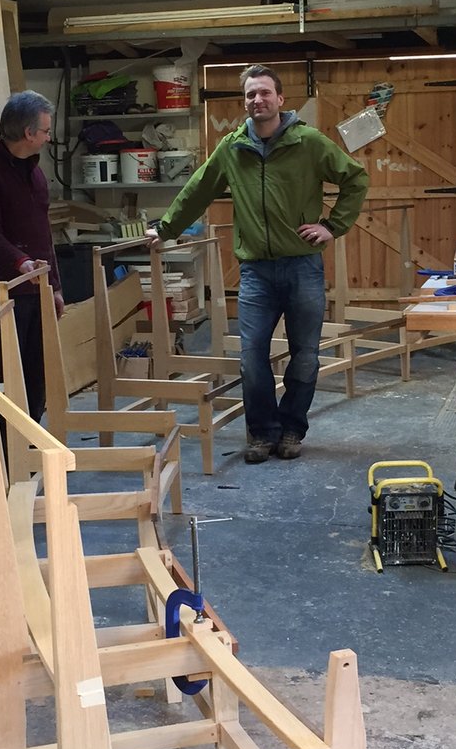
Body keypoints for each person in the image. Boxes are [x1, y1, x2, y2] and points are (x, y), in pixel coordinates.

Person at [145, 64, 368, 464]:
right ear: (245, 101)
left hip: (303, 267)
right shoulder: (232, 148)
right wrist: (166, 229)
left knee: (305, 355)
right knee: (251, 357)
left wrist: (332, 226)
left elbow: (355, 179)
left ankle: (292, 428)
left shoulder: (308, 143)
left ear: (280, 99)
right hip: (256, 274)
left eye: (265, 92)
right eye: (250, 94)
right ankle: (262, 433)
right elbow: (198, 190)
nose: (257, 100)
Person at [0, 90, 64, 423]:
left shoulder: (35, 173)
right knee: (11, 375)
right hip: (7, 294)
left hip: (38, 291)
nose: (48, 137)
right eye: (46, 131)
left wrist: (54, 286)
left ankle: (32, 442)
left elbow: (43, 234)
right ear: (28, 133)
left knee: (37, 375)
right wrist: (20, 261)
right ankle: (10, 448)